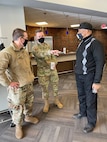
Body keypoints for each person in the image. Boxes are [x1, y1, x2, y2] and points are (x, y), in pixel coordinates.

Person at [0, 28, 39, 139]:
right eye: (26, 38)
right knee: (17, 107)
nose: (27, 40)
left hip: (29, 83)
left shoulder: (24, 51)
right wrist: (8, 83)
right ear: (21, 39)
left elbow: (28, 66)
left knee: (29, 102)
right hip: (18, 87)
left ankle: (28, 117)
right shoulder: (6, 53)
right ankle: (18, 125)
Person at [73, 22, 105, 133]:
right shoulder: (81, 43)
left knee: (90, 99)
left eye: (79, 31)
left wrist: (97, 81)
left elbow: (100, 62)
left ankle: (91, 122)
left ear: (87, 31)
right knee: (81, 96)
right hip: (79, 76)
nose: (78, 33)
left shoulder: (96, 44)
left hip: (89, 77)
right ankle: (82, 112)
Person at [32, 29, 63, 113]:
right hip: (42, 72)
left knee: (55, 85)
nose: (41, 38)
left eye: (42, 36)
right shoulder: (34, 48)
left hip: (52, 70)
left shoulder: (47, 45)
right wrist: (50, 52)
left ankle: (56, 100)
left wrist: (55, 62)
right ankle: (46, 103)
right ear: (36, 38)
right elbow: (41, 54)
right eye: (39, 36)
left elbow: (52, 56)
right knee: (44, 88)